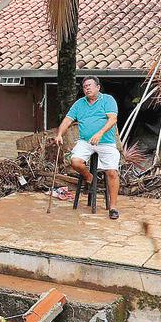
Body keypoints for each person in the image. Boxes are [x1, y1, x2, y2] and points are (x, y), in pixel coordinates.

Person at [54, 76, 120, 219]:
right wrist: (59, 134)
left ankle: (113, 207)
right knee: (75, 161)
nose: (87, 88)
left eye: (90, 85)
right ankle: (90, 177)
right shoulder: (79, 104)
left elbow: (112, 119)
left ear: (98, 87)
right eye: (84, 87)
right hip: (85, 142)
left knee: (112, 172)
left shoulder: (108, 100)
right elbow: (67, 120)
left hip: (106, 142)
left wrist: (100, 133)